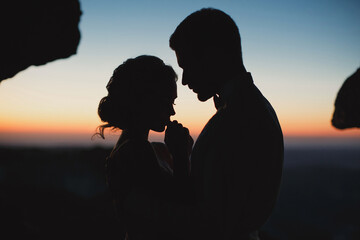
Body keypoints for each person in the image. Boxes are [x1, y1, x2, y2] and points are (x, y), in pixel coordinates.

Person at [140, 8, 284, 240]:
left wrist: (139, 209)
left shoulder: (241, 119)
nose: (185, 80)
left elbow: (212, 222)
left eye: (187, 65)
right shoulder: (249, 109)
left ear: (211, 56)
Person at [96, 55, 192, 239]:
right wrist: (181, 155)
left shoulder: (130, 148)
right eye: (167, 103)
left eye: (173, 103)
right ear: (143, 101)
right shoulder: (135, 151)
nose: (172, 111)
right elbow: (179, 209)